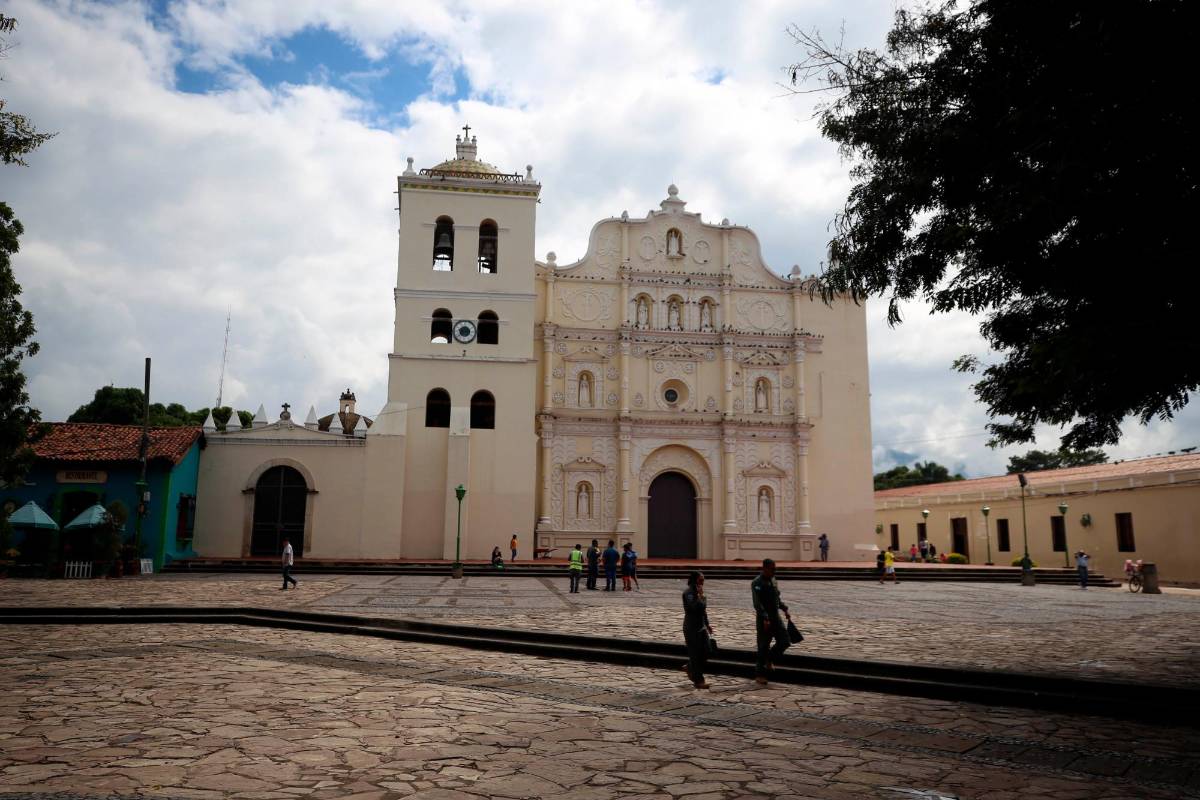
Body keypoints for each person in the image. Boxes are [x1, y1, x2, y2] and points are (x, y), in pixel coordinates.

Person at [751, 558, 791, 684]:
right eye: (772, 569)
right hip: (764, 619)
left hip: (776, 617)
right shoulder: (757, 583)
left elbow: (777, 597)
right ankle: (759, 674)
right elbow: (757, 604)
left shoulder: (773, 580)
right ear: (765, 568)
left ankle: (770, 659)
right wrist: (765, 618)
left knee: (785, 640)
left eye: (775, 569)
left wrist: (784, 608)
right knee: (763, 646)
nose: (775, 571)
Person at [682, 571, 713, 689]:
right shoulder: (688, 593)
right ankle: (699, 680)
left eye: (703, 580)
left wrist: (707, 624)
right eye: (701, 580)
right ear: (695, 580)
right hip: (691, 628)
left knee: (707, 650)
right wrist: (701, 597)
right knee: (695, 654)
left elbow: (703, 610)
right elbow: (693, 608)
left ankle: (690, 667)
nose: (703, 583)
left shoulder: (700, 593)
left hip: (701, 627)